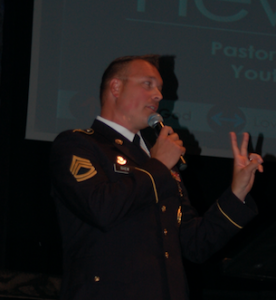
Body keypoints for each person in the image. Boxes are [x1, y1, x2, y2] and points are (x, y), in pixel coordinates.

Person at [50, 55, 263, 300]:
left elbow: (194, 243)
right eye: (148, 84)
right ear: (116, 87)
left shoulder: (155, 160)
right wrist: (159, 164)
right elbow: (100, 208)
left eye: (160, 88)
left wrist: (237, 193)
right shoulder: (79, 145)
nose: (159, 96)